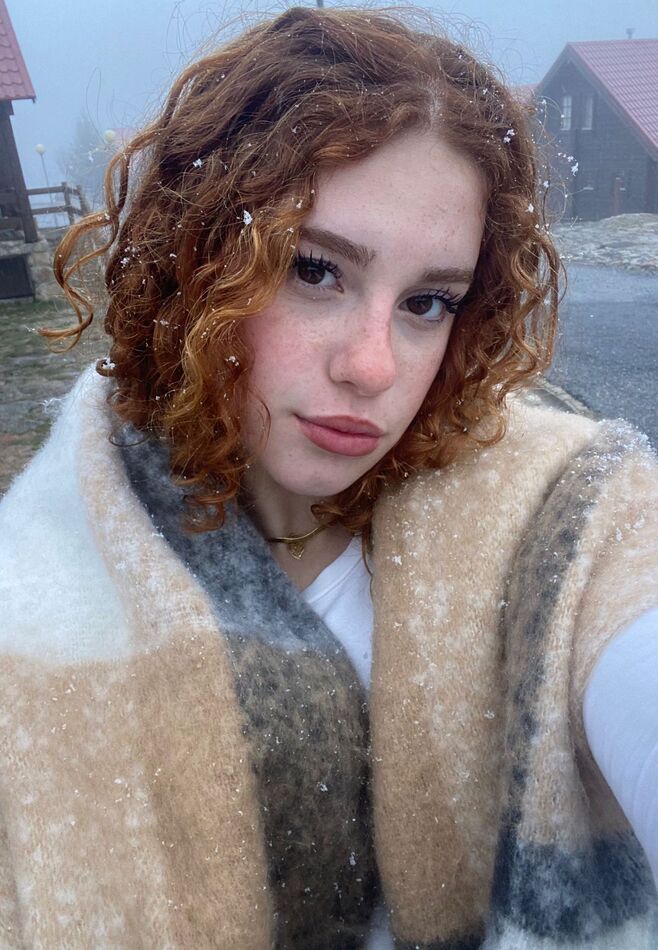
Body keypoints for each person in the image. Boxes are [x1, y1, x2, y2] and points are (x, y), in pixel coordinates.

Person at [1, 7, 657, 948]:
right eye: (315, 270)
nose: (373, 367)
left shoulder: (570, 512)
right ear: (198, 259)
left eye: (428, 301)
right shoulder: (35, 578)